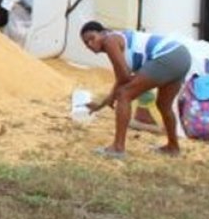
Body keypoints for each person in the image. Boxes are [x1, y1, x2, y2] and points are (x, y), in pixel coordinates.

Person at [81, 21, 193, 159]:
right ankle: (173, 147)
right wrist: (105, 101)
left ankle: (117, 148)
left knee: (124, 95)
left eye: (92, 38)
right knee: (164, 105)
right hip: (182, 56)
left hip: (168, 56)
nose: (90, 44)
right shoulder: (116, 38)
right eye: (86, 43)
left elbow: (123, 78)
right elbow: (123, 78)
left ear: (103, 33)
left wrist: (108, 99)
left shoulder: (110, 41)